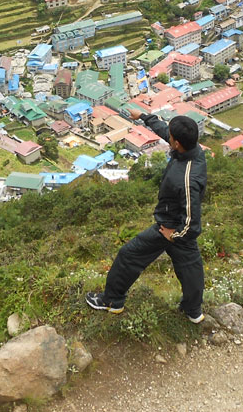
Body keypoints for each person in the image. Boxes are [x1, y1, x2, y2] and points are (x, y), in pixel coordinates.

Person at [86, 108, 208, 323]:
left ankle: (112, 301)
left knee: (128, 255)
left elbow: (193, 222)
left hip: (169, 226)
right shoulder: (191, 149)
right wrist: (144, 117)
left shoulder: (187, 178)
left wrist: (174, 235)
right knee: (191, 268)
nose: (167, 137)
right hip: (173, 224)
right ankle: (193, 311)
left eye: (171, 137)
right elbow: (165, 131)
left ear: (177, 143)